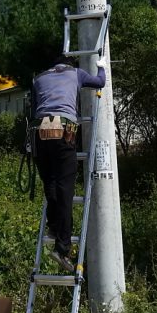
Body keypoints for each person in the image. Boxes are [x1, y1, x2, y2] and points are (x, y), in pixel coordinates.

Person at [31, 56, 106, 272]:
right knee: (65, 188)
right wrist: (102, 68)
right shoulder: (76, 74)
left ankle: (54, 228)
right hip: (62, 130)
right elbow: (99, 83)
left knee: (50, 182)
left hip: (38, 133)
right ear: (68, 65)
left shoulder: (39, 78)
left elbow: (34, 109)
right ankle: (62, 248)